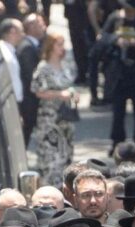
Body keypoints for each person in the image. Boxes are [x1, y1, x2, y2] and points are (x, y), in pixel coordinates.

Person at [103, 0, 135, 150]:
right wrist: (117, 40)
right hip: (119, 72)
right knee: (118, 110)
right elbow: (103, 37)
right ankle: (117, 141)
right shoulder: (115, 18)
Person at [31, 32, 78, 188]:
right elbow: (37, 91)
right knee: (50, 159)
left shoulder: (65, 65)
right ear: (50, 47)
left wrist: (72, 94)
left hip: (65, 119)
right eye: (59, 44)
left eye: (63, 44)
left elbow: (69, 85)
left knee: (66, 156)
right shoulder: (44, 68)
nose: (62, 48)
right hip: (49, 120)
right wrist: (60, 94)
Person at [17, 13, 46, 145]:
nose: (44, 27)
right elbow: (31, 75)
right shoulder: (27, 47)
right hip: (29, 100)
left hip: (31, 98)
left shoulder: (33, 44)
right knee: (25, 134)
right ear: (31, 27)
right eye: (40, 24)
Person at [0, 19, 24, 104]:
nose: (23, 34)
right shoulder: (6, 55)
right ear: (13, 32)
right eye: (21, 31)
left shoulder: (9, 50)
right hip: (11, 102)